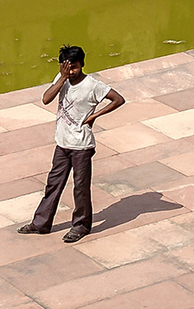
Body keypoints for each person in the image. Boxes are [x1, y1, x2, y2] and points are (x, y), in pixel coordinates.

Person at [18, 45, 124, 241]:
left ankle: (81, 225)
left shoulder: (93, 85)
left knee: (80, 187)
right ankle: (41, 223)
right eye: (67, 67)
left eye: (74, 67)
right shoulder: (62, 79)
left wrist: (95, 116)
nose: (71, 71)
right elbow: (46, 99)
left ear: (82, 64)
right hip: (62, 143)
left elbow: (118, 99)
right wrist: (63, 77)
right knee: (53, 184)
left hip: (81, 146)